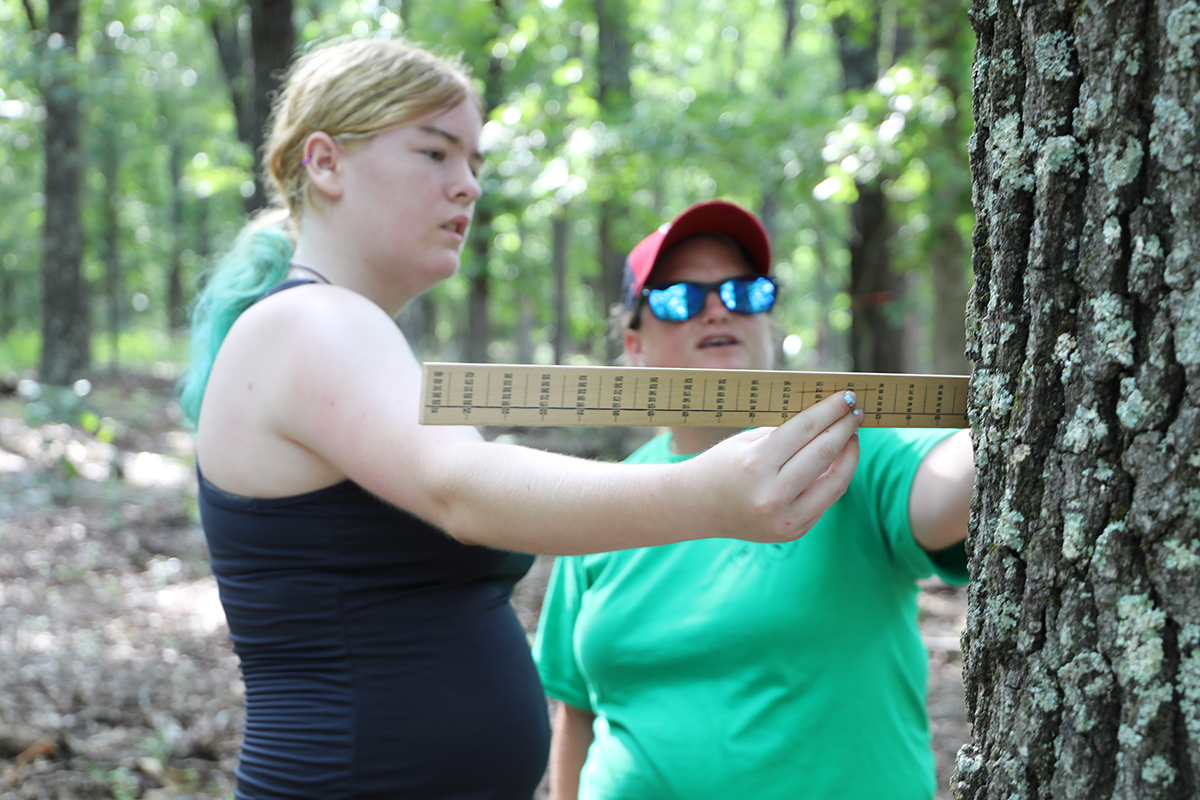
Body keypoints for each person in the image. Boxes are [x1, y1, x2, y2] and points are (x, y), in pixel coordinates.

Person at [179, 39, 865, 800]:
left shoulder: (338, 330)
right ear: (325, 163)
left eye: (473, 161)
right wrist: (709, 495)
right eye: (435, 153)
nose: (466, 186)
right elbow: (462, 489)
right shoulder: (311, 323)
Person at [533, 200, 976, 800]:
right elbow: (576, 714)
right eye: (680, 299)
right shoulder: (605, 502)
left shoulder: (848, 456)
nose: (717, 307)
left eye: (745, 292)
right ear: (634, 346)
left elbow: (958, 483)